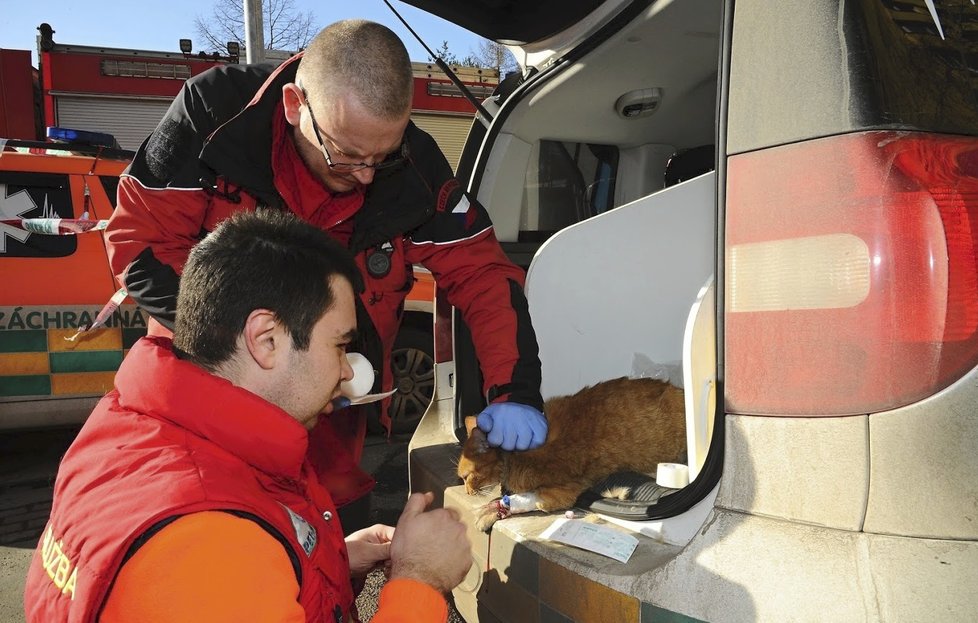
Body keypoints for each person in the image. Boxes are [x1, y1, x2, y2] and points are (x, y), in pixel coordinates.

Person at [104, 18, 548, 526]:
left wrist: (515, 392)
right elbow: (139, 246)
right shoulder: (214, 118)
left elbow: (484, 276)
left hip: (332, 421)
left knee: (333, 556)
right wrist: (240, 359)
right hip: (203, 405)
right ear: (296, 107)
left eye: (380, 158)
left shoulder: (416, 168)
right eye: (346, 154)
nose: (363, 175)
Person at [23, 210, 472, 622]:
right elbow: (213, 569)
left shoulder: (128, 429)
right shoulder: (211, 543)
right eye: (339, 345)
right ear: (266, 339)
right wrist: (419, 581)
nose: (345, 372)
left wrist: (317, 560)